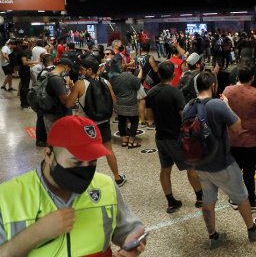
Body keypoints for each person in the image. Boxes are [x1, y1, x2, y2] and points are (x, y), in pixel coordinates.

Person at [0, 115, 146, 256]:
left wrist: (132, 240)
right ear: (48, 155)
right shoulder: (6, 198)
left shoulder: (105, 186)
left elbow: (129, 229)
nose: (86, 169)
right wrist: (36, 233)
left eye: (92, 161)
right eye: (76, 162)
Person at [183, 72, 256, 249]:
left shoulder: (189, 106)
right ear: (213, 86)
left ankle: (213, 236)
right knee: (242, 196)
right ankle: (252, 229)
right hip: (221, 162)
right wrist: (228, 106)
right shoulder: (217, 104)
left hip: (200, 163)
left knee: (208, 199)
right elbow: (237, 126)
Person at [145, 61, 203, 213]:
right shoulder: (175, 92)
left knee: (165, 169)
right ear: (173, 74)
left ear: (159, 74)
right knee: (191, 167)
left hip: (160, 137)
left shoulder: (151, 93)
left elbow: (149, 118)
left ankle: (171, 202)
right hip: (176, 138)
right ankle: (200, 198)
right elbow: (183, 117)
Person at [66, 57, 126, 186]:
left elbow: (69, 103)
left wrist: (72, 89)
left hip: (86, 124)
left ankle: (86, 181)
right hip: (103, 121)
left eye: (82, 69)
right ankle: (117, 178)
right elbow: (114, 100)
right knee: (108, 150)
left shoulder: (80, 84)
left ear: (89, 70)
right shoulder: (105, 82)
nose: (80, 71)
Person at [223, 65, 256, 212]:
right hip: (252, 139)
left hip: (232, 137)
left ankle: (234, 199)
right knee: (249, 171)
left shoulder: (227, 90)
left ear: (238, 76)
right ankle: (251, 201)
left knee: (235, 169)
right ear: (252, 78)